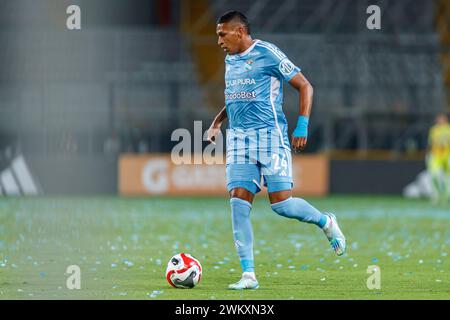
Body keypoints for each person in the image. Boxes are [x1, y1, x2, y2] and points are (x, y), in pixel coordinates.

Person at [207, 11, 346, 290]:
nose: (219, 40)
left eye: (222, 34)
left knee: (282, 205)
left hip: (270, 138)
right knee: (238, 201)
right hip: (239, 140)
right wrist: (216, 123)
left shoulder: (268, 53)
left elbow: (305, 86)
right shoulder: (229, 60)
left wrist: (302, 126)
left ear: (240, 31)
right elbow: (235, 97)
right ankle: (248, 275)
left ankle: (325, 221)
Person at [426, 113, 450, 204]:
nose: (440, 121)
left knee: (448, 177)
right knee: (434, 175)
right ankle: (436, 194)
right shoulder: (434, 130)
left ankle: (447, 195)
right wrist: (428, 154)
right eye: (438, 119)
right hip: (436, 156)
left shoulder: (448, 129)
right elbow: (431, 143)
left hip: (447, 155)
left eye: (442, 119)